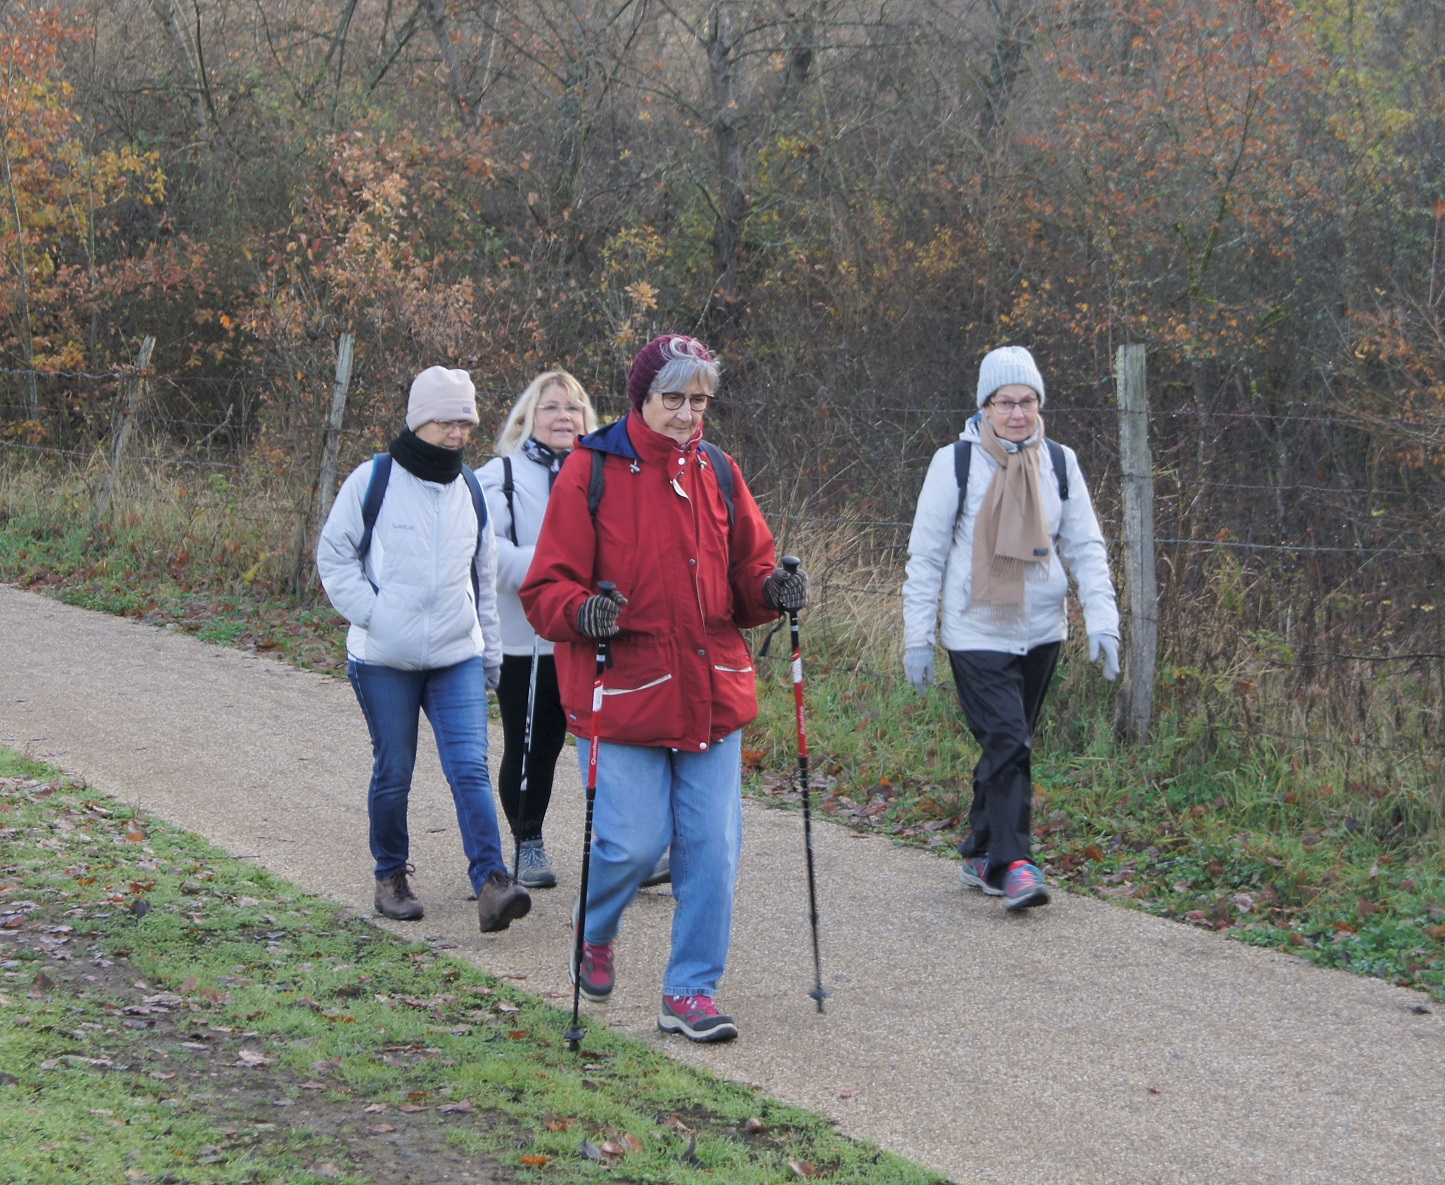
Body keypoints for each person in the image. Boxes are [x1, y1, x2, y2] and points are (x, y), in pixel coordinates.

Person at [520, 333, 807, 1043]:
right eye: (672, 398)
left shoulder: (717, 468)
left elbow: (748, 576)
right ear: (640, 397)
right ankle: (595, 931)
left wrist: (773, 591)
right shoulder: (591, 469)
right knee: (631, 845)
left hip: (712, 689)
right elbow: (544, 588)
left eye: (698, 399)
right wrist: (581, 610)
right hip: (626, 690)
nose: (686, 413)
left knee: (711, 847)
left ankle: (690, 991)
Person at [901, 345, 1119, 912]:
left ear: (1039, 404)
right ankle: (1014, 864)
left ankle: (979, 849)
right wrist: (917, 637)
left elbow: (1088, 547)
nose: (1018, 414)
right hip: (975, 632)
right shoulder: (956, 463)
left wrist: (1104, 621)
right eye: (1005, 402)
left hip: (1043, 632)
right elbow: (924, 557)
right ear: (985, 406)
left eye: (1027, 402)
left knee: (1008, 747)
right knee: (1007, 741)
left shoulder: (1061, 464)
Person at [317, 366, 531, 934]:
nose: (457, 433)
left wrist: (490, 651)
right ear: (419, 420)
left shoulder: (470, 491)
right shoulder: (374, 480)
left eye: (465, 422)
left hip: (456, 656)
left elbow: (482, 577)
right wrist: (376, 614)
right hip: (383, 658)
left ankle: (492, 882)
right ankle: (390, 876)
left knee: (470, 769)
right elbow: (334, 557)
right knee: (395, 770)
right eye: (445, 421)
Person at [478, 370, 598, 889]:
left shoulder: (604, 476)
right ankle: (527, 841)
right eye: (551, 407)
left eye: (573, 409)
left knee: (612, 744)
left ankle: (625, 851)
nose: (563, 417)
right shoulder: (499, 476)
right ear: (528, 417)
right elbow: (487, 556)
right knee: (535, 746)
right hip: (527, 640)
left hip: (593, 634)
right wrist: (558, 571)